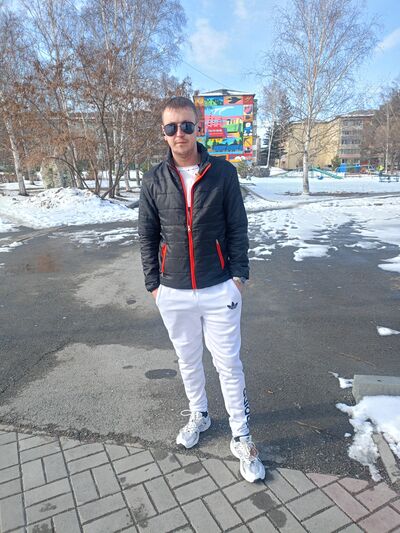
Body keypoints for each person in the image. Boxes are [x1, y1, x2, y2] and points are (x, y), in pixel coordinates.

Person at [138, 96, 265, 483]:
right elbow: (147, 235)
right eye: (171, 127)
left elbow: (237, 227)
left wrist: (238, 277)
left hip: (218, 288)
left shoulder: (223, 173)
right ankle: (200, 415)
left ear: (199, 128)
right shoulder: (154, 179)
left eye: (186, 125)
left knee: (228, 364)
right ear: (163, 133)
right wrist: (154, 285)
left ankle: (241, 435)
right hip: (173, 291)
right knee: (188, 360)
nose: (179, 133)